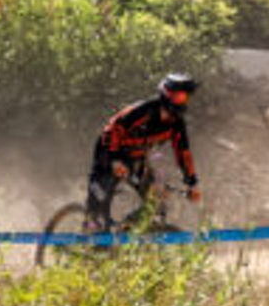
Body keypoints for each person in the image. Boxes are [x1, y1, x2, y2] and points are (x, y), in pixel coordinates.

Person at [86, 73, 201, 233]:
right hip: (109, 153)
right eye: (178, 96)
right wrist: (114, 160)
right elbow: (113, 129)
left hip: (136, 159)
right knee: (99, 201)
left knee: (154, 203)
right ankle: (91, 236)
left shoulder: (177, 125)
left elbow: (183, 153)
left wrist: (192, 183)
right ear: (167, 95)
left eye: (185, 97)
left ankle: (125, 234)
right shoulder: (143, 111)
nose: (181, 101)